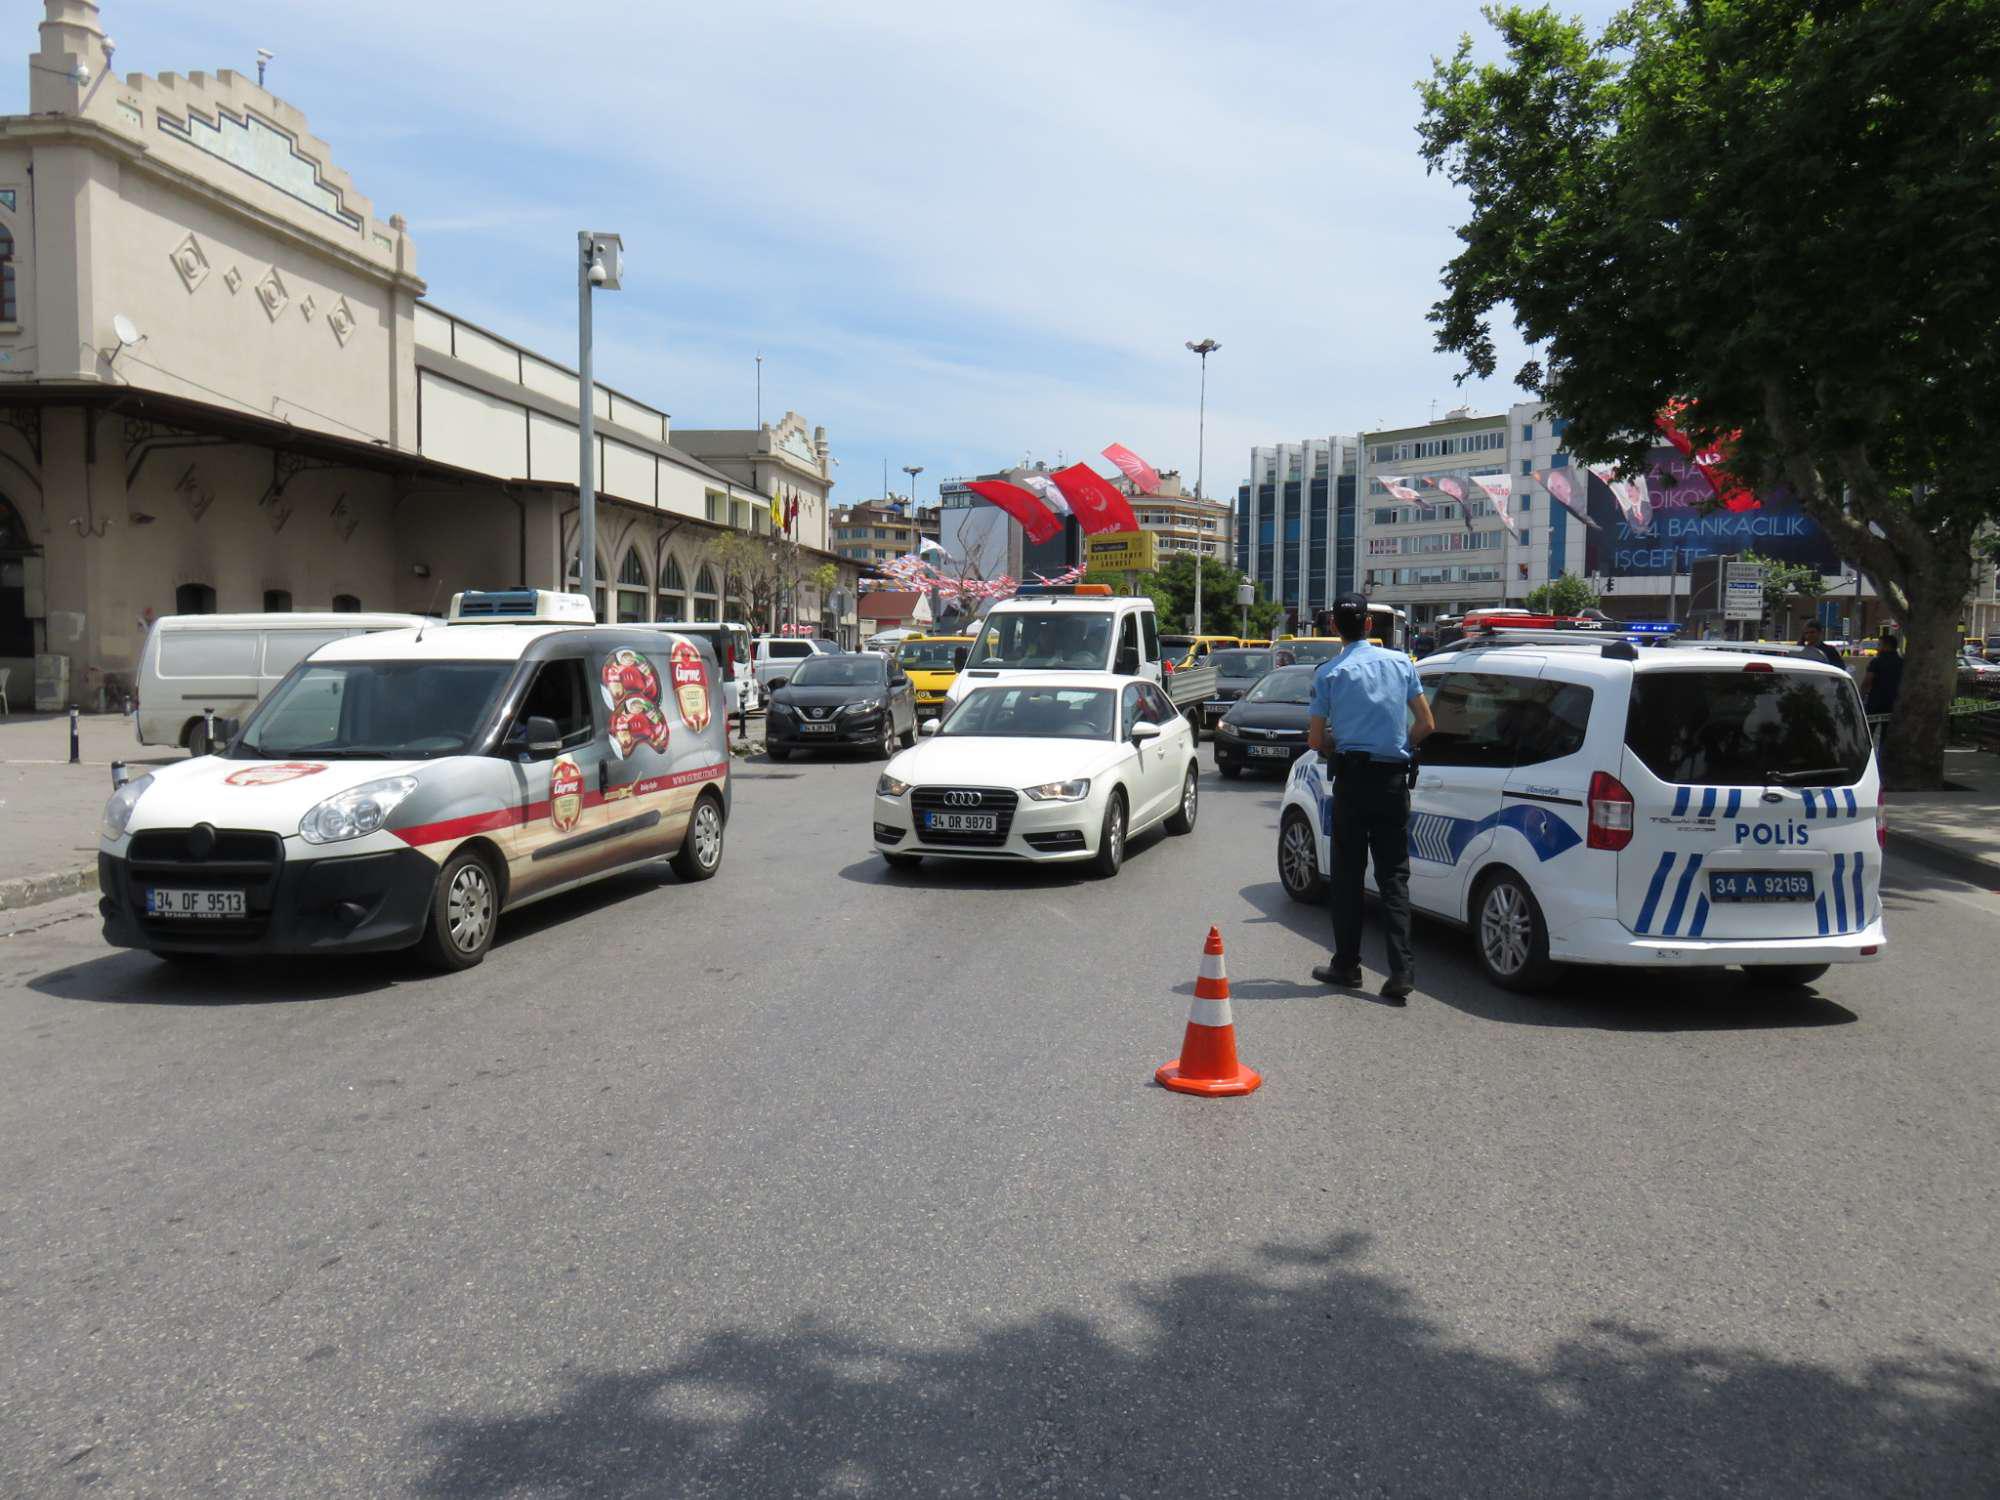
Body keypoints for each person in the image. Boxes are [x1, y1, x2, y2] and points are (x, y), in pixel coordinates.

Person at [1307, 592, 1436, 1004]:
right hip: (1393, 782)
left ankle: (1347, 965)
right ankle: (1402, 972)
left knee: (1347, 876)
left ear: (1333, 628)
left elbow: (1314, 739)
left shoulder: (1329, 673)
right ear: (1367, 625)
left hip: (1351, 781)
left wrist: (1338, 746)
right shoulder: (1402, 664)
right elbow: (1426, 724)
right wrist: (1399, 746)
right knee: (1394, 876)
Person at [1862, 632, 1903, 717]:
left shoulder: (1877, 661)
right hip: (1894, 702)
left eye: (1879, 645)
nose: (1877, 648)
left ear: (1887, 646)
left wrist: (1861, 695)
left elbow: (1868, 680)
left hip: (1876, 701)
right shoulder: (1901, 662)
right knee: (1887, 728)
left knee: (1869, 727)